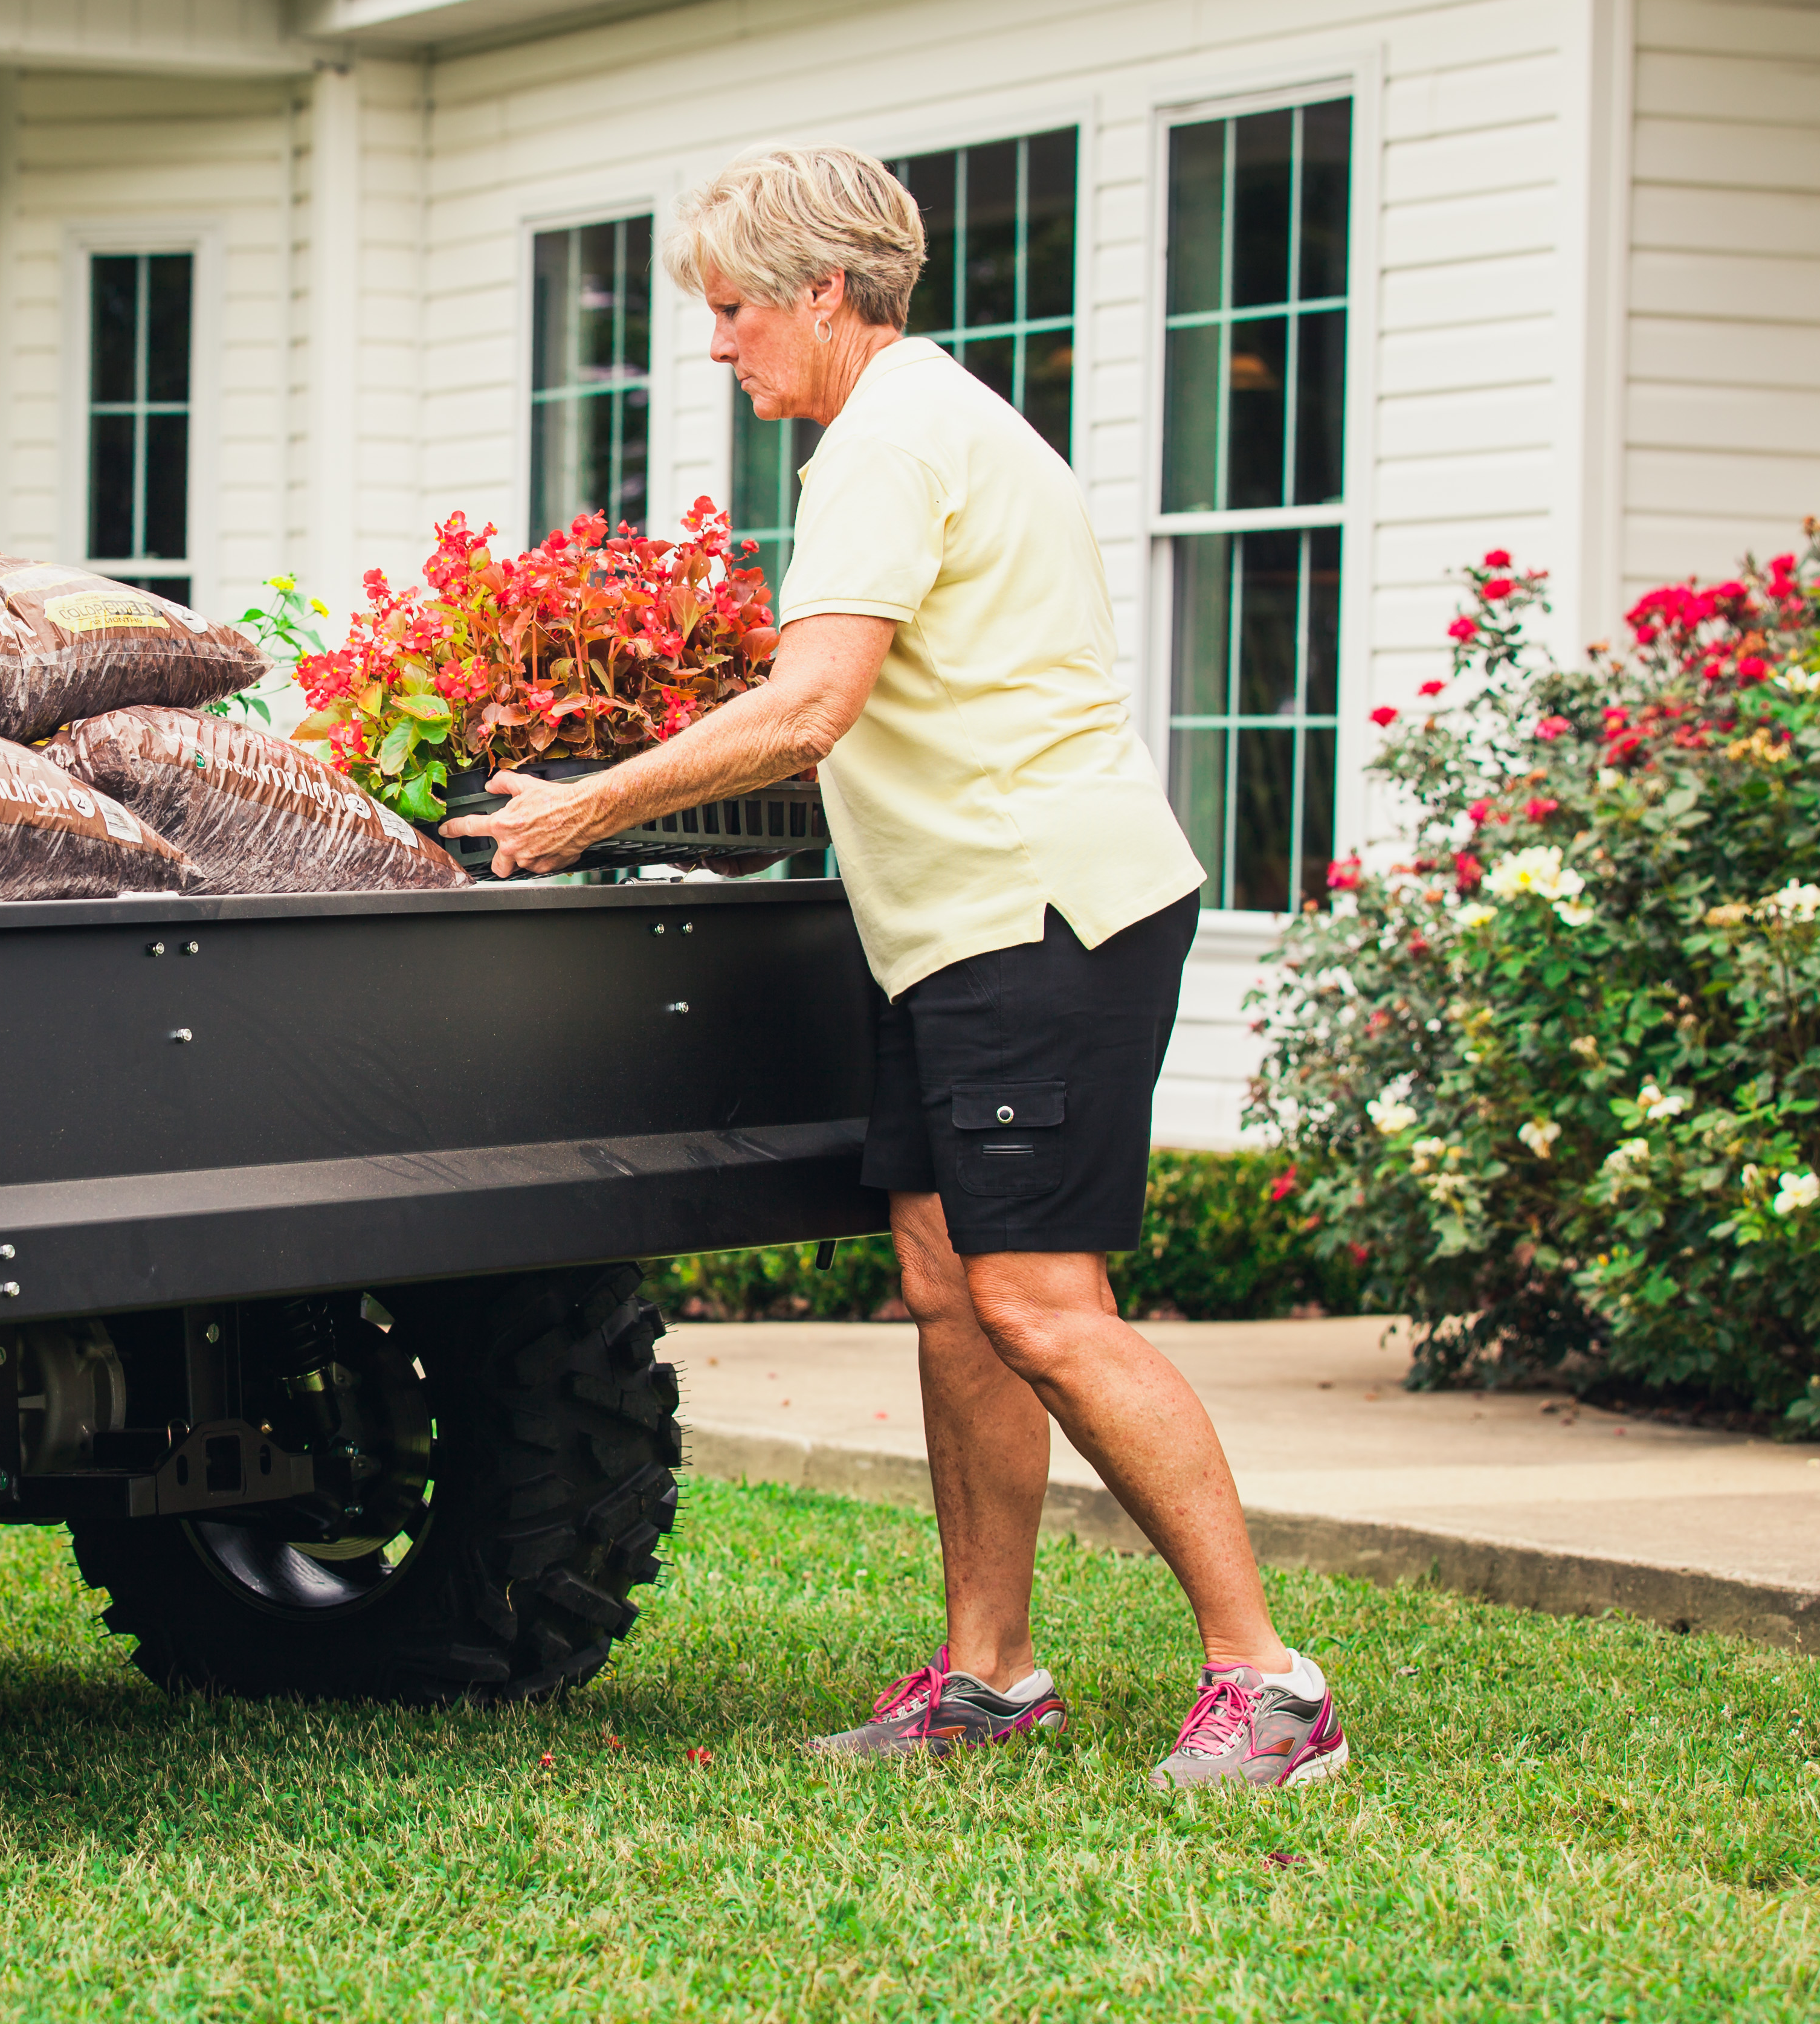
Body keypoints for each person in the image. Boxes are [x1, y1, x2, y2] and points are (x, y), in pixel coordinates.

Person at [446, 144, 1346, 1791]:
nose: (718, 346)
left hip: (1035, 917)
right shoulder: (926, 417)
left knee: (1040, 1304)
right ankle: (991, 1675)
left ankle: (1270, 1684)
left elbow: (809, 708)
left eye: (730, 311)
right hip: (958, 920)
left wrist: (584, 809)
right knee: (948, 1288)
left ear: (822, 293)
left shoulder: (888, 444)